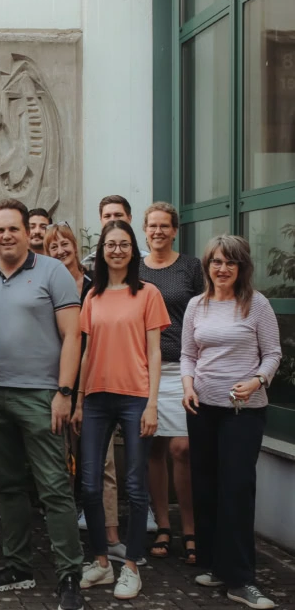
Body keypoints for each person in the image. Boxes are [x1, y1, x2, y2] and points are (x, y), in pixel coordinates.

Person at [0, 198, 85, 610]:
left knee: (53, 487)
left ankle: (70, 573)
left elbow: (73, 336)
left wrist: (65, 393)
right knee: (8, 485)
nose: (7, 236)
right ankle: (18, 565)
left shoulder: (52, 271)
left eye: (14, 228)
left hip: (42, 396)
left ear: (27, 232)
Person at [182, 235, 281, 610]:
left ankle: (241, 579)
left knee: (237, 488)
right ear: (207, 266)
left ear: (242, 268)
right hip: (202, 407)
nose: (222, 269)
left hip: (245, 410)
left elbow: (273, 353)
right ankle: (216, 565)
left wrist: (256, 380)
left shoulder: (257, 305)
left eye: (230, 263)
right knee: (206, 486)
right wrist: (188, 387)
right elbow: (189, 354)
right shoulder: (197, 305)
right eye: (216, 262)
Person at [72, 221, 170, 600]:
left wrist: (152, 404)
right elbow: (84, 354)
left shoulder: (148, 294)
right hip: (96, 398)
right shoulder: (92, 297)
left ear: (133, 250)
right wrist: (79, 400)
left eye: (124, 244)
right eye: (111, 244)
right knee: (91, 485)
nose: (117, 250)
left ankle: (131, 565)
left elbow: (155, 352)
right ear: (102, 250)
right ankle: (100, 562)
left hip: (135, 397)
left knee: (134, 484)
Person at [46, 223, 123, 553]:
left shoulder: (96, 286)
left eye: (65, 244)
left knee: (101, 462)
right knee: (60, 463)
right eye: (53, 247)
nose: (60, 250)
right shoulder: (47, 285)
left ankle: (110, 537)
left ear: (76, 247)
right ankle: (65, 540)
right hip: (55, 384)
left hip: (92, 384)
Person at [139, 202, 203, 564]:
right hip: (146, 370)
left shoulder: (191, 267)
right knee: (154, 450)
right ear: (145, 231)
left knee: (182, 448)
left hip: (183, 369)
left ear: (175, 230)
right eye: (153, 226)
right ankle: (163, 526)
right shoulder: (135, 268)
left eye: (165, 226)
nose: (158, 231)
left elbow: (203, 312)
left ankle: (189, 528)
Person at [80, 196, 150, 269]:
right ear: (101, 220)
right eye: (107, 216)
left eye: (118, 215)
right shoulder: (88, 265)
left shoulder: (147, 263)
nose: (113, 220)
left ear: (129, 218)